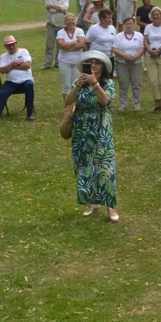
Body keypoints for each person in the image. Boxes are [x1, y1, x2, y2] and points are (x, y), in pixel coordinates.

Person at [63, 50, 118, 221]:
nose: (93, 65)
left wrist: (95, 84)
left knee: (105, 166)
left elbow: (105, 101)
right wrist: (78, 86)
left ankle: (111, 207)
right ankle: (91, 203)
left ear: (103, 66)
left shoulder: (107, 83)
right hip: (82, 130)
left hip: (101, 128)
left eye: (97, 62)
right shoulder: (78, 82)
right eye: (90, 62)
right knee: (85, 166)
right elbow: (67, 101)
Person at [0, 36, 34, 123]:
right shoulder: (3, 56)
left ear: (16, 43)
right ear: (5, 46)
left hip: (26, 80)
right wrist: (14, 63)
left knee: (29, 86)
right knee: (3, 93)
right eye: (9, 45)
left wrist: (10, 67)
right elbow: (2, 70)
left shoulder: (24, 51)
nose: (11, 47)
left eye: (13, 44)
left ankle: (30, 113)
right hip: (11, 82)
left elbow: (27, 66)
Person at [110, 17, 144, 112]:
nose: (129, 25)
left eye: (131, 23)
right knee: (123, 84)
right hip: (122, 64)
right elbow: (114, 49)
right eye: (127, 24)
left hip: (136, 63)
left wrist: (135, 57)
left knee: (136, 84)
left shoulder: (139, 35)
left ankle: (136, 104)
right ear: (124, 25)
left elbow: (142, 48)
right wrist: (123, 55)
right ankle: (122, 104)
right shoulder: (119, 36)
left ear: (134, 24)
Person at [53, 14, 86, 101]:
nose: (70, 21)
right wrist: (75, 42)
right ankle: (67, 106)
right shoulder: (61, 32)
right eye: (68, 20)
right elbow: (61, 45)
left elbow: (82, 43)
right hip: (64, 61)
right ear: (65, 22)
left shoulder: (79, 31)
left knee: (76, 84)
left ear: (75, 21)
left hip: (77, 61)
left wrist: (68, 47)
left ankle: (76, 105)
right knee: (66, 85)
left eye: (72, 19)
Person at [43, 0, 70, 69]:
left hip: (62, 26)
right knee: (49, 45)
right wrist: (61, 9)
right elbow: (51, 10)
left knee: (60, 45)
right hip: (51, 25)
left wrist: (52, 6)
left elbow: (65, 7)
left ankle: (58, 63)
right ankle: (47, 64)